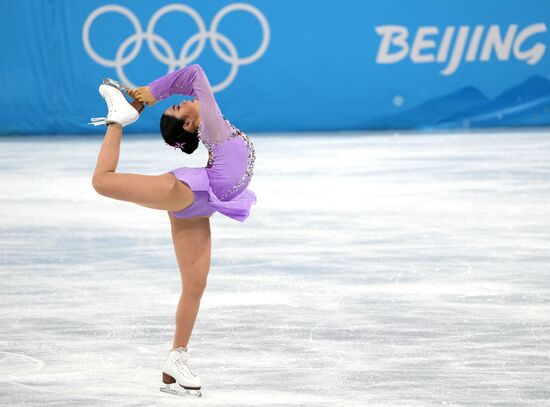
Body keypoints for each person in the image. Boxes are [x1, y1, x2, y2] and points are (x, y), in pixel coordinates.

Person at [90, 64, 256, 397]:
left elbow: (190, 83)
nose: (186, 100)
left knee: (195, 285)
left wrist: (150, 95)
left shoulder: (209, 124)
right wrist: (152, 94)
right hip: (188, 191)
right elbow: (195, 73)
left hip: (204, 203)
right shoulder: (212, 123)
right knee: (103, 182)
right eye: (180, 106)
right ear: (192, 123)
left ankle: (175, 359)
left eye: (177, 102)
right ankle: (116, 119)